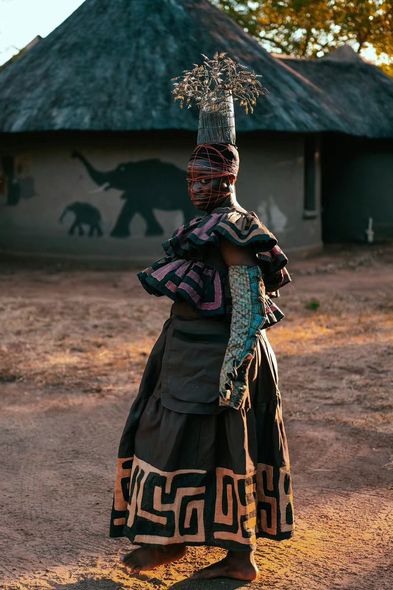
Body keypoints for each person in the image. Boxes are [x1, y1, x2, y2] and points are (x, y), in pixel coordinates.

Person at [109, 54, 294, 582]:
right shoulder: (205, 225)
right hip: (186, 352)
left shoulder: (235, 230)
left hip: (220, 360)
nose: (195, 184)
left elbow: (249, 306)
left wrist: (233, 375)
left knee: (227, 449)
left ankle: (239, 560)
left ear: (228, 176)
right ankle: (170, 541)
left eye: (206, 175)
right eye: (191, 175)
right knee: (163, 438)